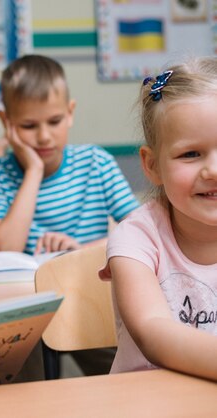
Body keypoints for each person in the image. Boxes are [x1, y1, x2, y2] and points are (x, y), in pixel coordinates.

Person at [99, 58, 217, 381]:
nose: (213, 170)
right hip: (146, 404)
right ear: (152, 166)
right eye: (190, 154)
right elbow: (155, 333)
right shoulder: (136, 237)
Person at [0, 55, 139, 255]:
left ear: (70, 113)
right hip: (27, 286)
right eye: (29, 125)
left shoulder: (96, 162)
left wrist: (78, 252)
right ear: (5, 121)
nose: (44, 137)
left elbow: (139, 231)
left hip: (86, 281)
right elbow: (7, 249)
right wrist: (34, 171)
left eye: (54, 122)